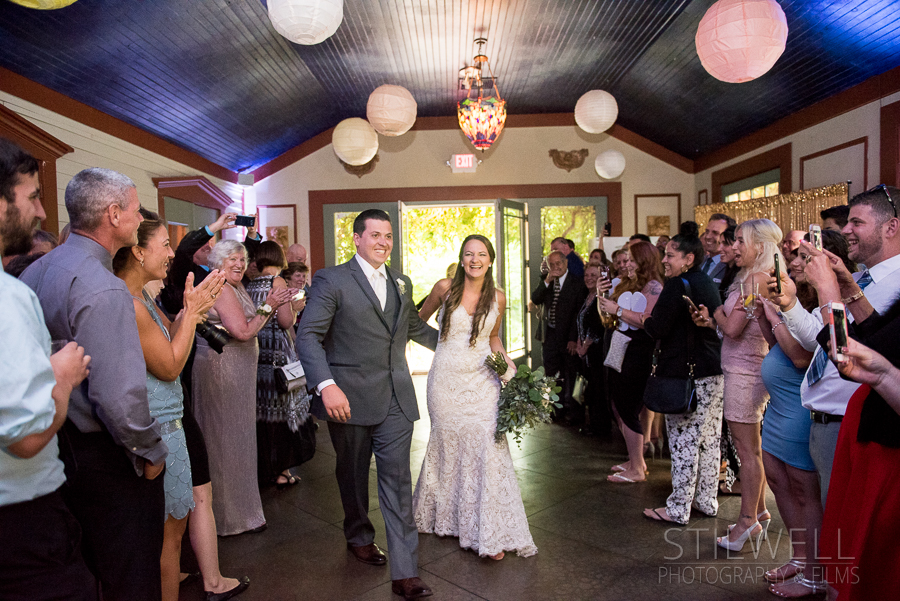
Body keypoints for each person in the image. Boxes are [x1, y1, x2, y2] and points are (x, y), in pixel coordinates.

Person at [21, 167, 169, 601]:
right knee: (131, 576)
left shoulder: (35, 272)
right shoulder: (103, 289)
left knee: (85, 572)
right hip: (104, 456)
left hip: (55, 446)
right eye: (136, 208)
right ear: (113, 214)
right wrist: (150, 452)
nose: (141, 217)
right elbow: (118, 398)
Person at [296, 209, 439, 601]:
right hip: (349, 399)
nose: (382, 242)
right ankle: (358, 533)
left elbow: (415, 329)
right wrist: (326, 385)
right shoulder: (332, 279)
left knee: (396, 481)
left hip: (396, 398)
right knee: (353, 474)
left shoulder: (402, 282)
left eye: (388, 236)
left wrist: (463, 344)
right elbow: (308, 336)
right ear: (356, 238)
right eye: (374, 235)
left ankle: (405, 573)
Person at [112, 210, 245, 601]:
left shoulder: (144, 298)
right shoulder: (131, 304)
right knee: (168, 540)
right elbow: (169, 367)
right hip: (159, 429)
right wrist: (192, 316)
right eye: (165, 244)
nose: (172, 253)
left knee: (170, 535)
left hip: (168, 424)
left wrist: (191, 311)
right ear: (138, 252)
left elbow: (168, 343)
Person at [0, 138, 95, 601]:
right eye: (32, 195)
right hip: (21, 520)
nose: (41, 212)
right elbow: (27, 438)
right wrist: (62, 376)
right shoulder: (8, 297)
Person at [413, 234, 537, 560]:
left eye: (481, 254)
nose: (475, 260)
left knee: (487, 443)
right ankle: (449, 519)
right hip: (446, 381)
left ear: (490, 260)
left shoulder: (497, 296)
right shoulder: (444, 288)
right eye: (469, 254)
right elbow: (416, 321)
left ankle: (485, 529)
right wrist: (441, 346)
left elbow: (493, 338)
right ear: (462, 258)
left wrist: (510, 371)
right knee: (448, 443)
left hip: (483, 380)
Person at [752, 230, 855, 592]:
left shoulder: (839, 301)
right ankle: (800, 558)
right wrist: (767, 313)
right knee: (779, 483)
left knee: (806, 491)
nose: (795, 262)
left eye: (803, 257)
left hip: (803, 407)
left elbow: (808, 354)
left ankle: (815, 572)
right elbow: (789, 340)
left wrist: (781, 311)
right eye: (796, 256)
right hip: (780, 407)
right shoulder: (807, 300)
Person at [191, 240, 293, 536]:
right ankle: (229, 518)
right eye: (231, 259)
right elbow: (244, 331)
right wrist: (270, 305)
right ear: (218, 262)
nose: (238, 263)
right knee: (224, 441)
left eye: (241, 259)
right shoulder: (221, 287)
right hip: (223, 370)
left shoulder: (233, 287)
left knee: (237, 439)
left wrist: (269, 306)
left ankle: (239, 511)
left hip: (236, 370)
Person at [696, 219, 781, 552]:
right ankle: (758, 511)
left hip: (745, 374)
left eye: (740, 241)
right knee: (752, 450)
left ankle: (746, 521)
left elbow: (732, 329)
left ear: (759, 246)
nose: (733, 247)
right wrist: (716, 319)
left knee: (747, 453)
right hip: (744, 367)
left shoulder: (756, 280)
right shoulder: (752, 277)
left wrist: (715, 311)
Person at [640, 223, 723, 524]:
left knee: (684, 441)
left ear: (689, 258)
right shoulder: (708, 282)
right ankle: (706, 501)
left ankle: (677, 509)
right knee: (710, 440)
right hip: (714, 370)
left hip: (686, 374)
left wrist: (642, 318)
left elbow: (658, 328)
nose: (664, 260)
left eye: (671, 255)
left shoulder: (678, 285)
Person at [245, 241, 314, 488]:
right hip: (277, 355)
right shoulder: (277, 282)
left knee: (262, 414)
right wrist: (295, 310)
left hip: (257, 353)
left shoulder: (251, 283)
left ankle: (265, 467)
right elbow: (285, 321)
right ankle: (282, 470)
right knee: (283, 414)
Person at [597, 241, 664, 483]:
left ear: (644, 261)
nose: (627, 265)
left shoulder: (654, 286)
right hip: (620, 347)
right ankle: (634, 459)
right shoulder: (627, 283)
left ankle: (637, 468)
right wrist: (600, 293)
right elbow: (606, 315)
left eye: (632, 260)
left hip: (638, 351)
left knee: (628, 406)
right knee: (617, 404)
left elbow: (647, 320)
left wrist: (617, 310)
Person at [161, 212, 261, 316]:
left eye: (208, 243)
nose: (207, 246)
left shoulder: (220, 269)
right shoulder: (186, 272)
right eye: (201, 245)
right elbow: (184, 249)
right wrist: (216, 226)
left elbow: (241, 257)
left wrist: (252, 234)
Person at [531, 250, 587, 424]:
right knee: (552, 374)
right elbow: (535, 298)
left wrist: (573, 338)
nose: (556, 267)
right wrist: (547, 280)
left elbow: (578, 313)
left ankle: (575, 414)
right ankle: (556, 411)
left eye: (559, 264)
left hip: (568, 336)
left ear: (566, 263)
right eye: (552, 264)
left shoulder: (577, 283)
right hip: (551, 335)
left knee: (571, 373)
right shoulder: (547, 282)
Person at [576, 264, 611, 437]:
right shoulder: (586, 295)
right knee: (590, 389)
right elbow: (580, 322)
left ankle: (601, 427)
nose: (588, 278)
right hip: (586, 351)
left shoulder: (602, 297)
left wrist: (585, 345)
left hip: (597, 350)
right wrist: (578, 342)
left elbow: (597, 326)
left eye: (593, 275)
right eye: (586, 275)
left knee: (599, 389)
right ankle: (593, 423)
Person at [699, 213, 736, 284]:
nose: (708, 237)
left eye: (715, 233)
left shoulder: (732, 265)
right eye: (707, 232)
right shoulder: (698, 262)